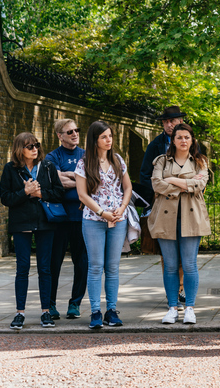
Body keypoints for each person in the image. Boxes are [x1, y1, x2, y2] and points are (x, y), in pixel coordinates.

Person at [0, 132, 65, 330]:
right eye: (30, 146)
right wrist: (25, 192)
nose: (35, 149)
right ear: (20, 149)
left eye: (36, 145)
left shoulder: (47, 167)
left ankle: (46, 312)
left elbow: (59, 193)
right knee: (23, 268)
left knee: (45, 268)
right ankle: (20, 313)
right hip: (21, 224)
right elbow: (5, 198)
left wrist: (40, 193)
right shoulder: (10, 169)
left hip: (45, 223)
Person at [150, 123, 210, 325]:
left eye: (187, 137)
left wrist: (172, 180)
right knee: (170, 266)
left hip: (191, 218)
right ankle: (172, 308)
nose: (183, 141)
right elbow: (156, 184)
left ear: (192, 140)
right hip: (166, 218)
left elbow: (199, 184)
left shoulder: (201, 162)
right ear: (173, 140)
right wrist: (185, 183)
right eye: (179, 137)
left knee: (190, 264)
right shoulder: (161, 161)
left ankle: (190, 308)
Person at [75, 121, 133, 329]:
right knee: (95, 266)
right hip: (93, 220)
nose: (109, 140)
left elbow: (128, 187)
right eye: (104, 137)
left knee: (113, 267)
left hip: (118, 220)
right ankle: (95, 312)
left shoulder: (117, 160)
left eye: (110, 136)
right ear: (95, 140)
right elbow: (82, 194)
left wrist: (123, 207)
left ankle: (111, 311)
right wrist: (102, 213)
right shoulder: (84, 163)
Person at [138, 106, 187, 303]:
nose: (169, 124)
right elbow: (144, 175)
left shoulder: (190, 142)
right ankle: (171, 292)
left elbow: (200, 173)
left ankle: (181, 289)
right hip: (163, 203)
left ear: (181, 121)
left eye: (173, 121)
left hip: (185, 205)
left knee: (185, 252)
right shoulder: (155, 145)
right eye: (166, 121)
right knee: (167, 254)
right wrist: (158, 194)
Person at [46, 119, 88, 320]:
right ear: (59, 135)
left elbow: (93, 180)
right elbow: (55, 181)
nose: (74, 134)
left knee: (82, 263)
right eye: (69, 131)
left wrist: (67, 176)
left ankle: (75, 303)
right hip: (60, 219)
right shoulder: (52, 156)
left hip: (82, 218)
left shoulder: (86, 155)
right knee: (55, 263)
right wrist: (79, 179)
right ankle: (51, 304)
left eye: (76, 130)